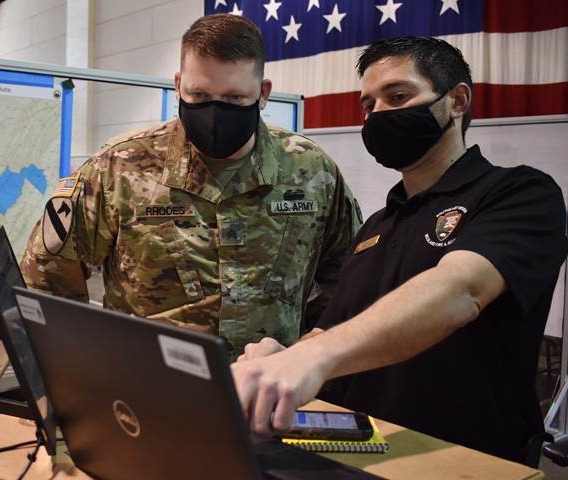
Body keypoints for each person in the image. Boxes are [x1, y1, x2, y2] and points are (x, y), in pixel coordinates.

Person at [231, 36, 568, 463]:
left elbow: (459, 290)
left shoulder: (517, 193)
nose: (379, 115)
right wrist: (284, 358)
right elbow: (335, 326)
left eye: (398, 96)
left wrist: (314, 357)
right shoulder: (378, 224)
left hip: (466, 459)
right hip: (364, 451)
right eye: (369, 105)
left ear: (458, 101)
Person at [20, 14, 361, 359]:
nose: (214, 113)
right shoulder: (118, 167)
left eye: (233, 99)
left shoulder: (311, 170)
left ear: (263, 93)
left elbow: (348, 277)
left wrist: (309, 356)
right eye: (198, 95)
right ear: (178, 85)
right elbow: (47, 281)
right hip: (150, 392)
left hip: (271, 393)